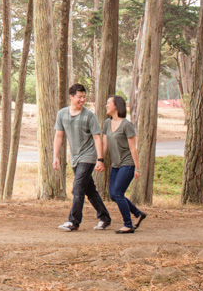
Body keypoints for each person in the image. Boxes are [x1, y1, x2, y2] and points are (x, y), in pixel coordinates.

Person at [53, 83, 111, 231]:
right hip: (75, 158)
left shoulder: (89, 115)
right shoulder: (62, 114)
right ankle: (105, 217)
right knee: (89, 190)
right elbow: (59, 136)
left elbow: (97, 138)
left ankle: (73, 222)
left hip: (89, 156)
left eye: (84, 97)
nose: (83, 100)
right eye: (79, 97)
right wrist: (55, 156)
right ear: (71, 97)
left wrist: (100, 159)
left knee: (78, 188)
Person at [102, 95, 147, 234]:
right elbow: (104, 144)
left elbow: (133, 148)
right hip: (115, 164)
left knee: (118, 193)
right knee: (113, 195)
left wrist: (138, 168)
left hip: (127, 163)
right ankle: (138, 214)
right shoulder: (106, 123)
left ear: (116, 106)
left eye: (109, 103)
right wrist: (99, 160)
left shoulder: (127, 125)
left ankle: (128, 224)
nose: (106, 105)